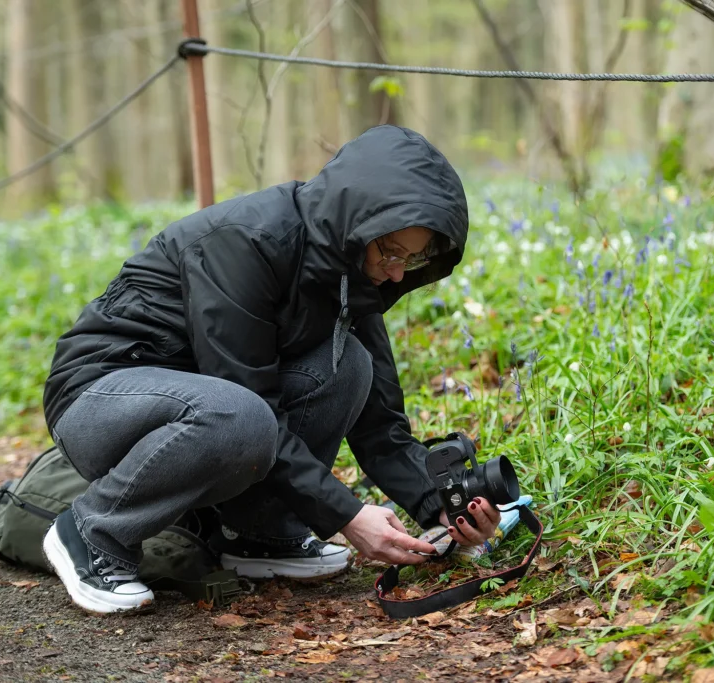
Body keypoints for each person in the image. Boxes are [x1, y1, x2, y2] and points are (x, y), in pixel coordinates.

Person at [39, 125, 502, 615]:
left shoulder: (353, 277)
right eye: (390, 253)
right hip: (99, 396)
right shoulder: (247, 241)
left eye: (413, 259)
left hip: (200, 407)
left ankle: (260, 536)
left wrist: (443, 508)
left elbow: (380, 425)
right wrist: (346, 515)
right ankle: (93, 531)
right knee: (242, 415)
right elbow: (245, 398)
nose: (396, 273)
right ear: (355, 224)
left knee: (351, 367)